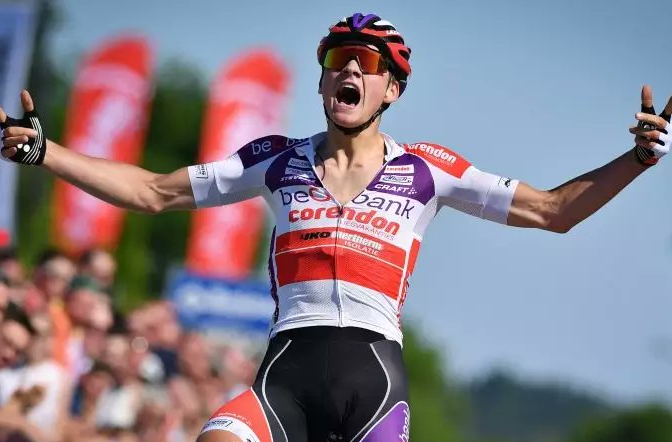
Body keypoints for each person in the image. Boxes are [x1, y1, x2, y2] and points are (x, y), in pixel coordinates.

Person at [1, 11, 670, 442]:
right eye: (338, 59)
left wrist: (638, 159)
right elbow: (152, 192)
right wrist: (43, 152)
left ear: (392, 90)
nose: (350, 68)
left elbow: (554, 211)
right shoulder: (275, 160)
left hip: (373, 384)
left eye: (369, 64)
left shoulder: (428, 169)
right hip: (284, 377)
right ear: (323, 83)